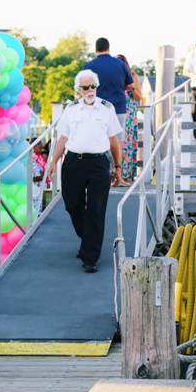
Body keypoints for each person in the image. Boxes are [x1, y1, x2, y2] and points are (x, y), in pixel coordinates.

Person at [46, 70, 123, 273]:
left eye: (93, 86)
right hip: (73, 162)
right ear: (78, 90)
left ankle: (90, 256)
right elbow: (62, 138)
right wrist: (53, 161)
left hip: (98, 164)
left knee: (96, 211)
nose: (90, 90)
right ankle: (88, 238)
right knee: (72, 205)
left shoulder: (107, 108)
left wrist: (118, 167)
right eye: (86, 87)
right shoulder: (71, 109)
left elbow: (114, 141)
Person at [83, 37, 134, 139]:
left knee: (97, 140)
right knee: (118, 142)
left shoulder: (90, 65)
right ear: (108, 48)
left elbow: (84, 87)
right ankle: (117, 156)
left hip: (97, 108)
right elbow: (131, 85)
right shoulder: (121, 64)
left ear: (96, 49)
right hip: (118, 107)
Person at [117, 54, 143, 183]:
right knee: (114, 143)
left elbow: (139, 97)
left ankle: (126, 175)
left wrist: (131, 87)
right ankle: (114, 174)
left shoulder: (133, 77)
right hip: (115, 114)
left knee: (127, 144)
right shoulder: (113, 78)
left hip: (129, 116)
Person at [31, 141, 47, 216]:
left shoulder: (39, 158)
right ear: (33, 147)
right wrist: (44, 176)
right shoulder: (30, 159)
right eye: (40, 148)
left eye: (42, 148)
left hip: (39, 190)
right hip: (33, 190)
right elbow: (31, 177)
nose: (41, 150)